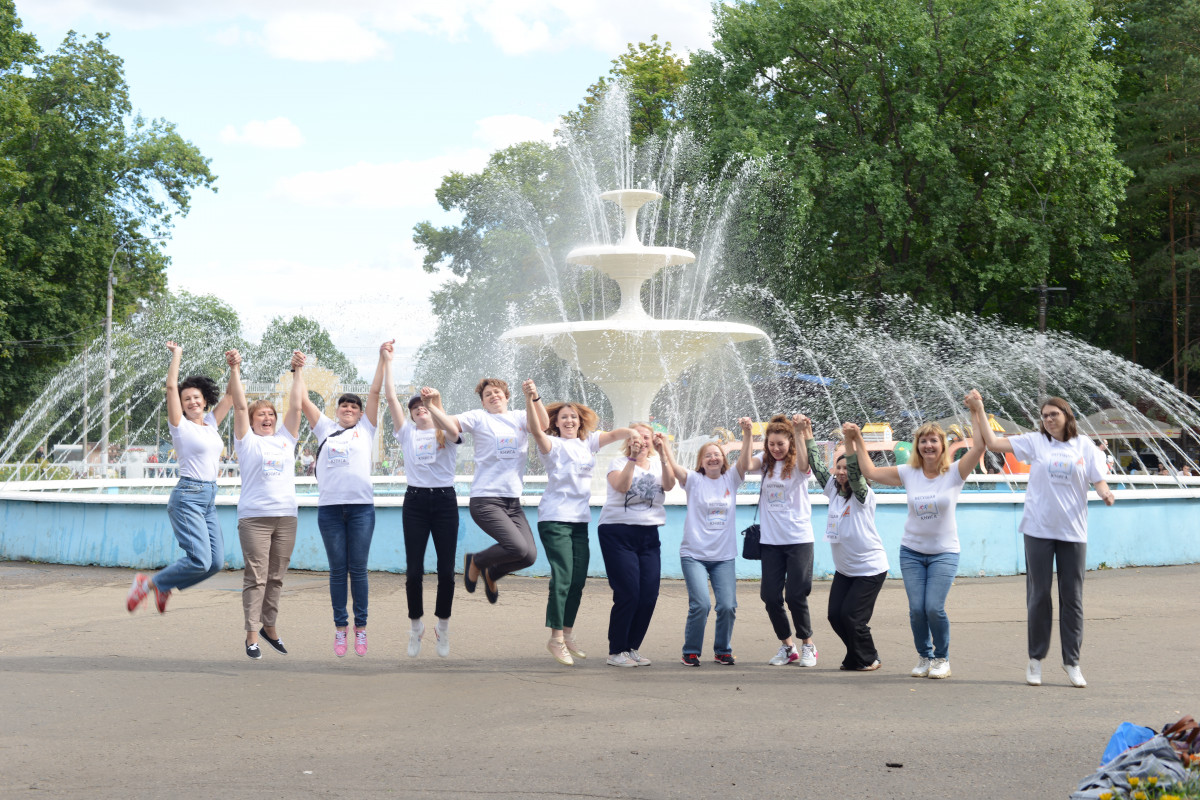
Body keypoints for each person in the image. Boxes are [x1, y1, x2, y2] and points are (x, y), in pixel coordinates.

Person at [967, 390, 1115, 688]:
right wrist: (979, 409)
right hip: (1038, 529)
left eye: (1054, 415)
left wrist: (1104, 492)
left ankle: (1072, 662)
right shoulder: (1035, 442)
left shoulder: (1083, 445)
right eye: (1045, 416)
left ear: (1066, 416)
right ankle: (1035, 660)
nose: (1048, 420)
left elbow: (1098, 478)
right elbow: (994, 443)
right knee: (1038, 596)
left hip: (1072, 531)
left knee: (1072, 598)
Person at [853, 415, 984, 680]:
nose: (928, 445)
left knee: (933, 607)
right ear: (917, 447)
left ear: (942, 445)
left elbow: (980, 447)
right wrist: (856, 439)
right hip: (912, 552)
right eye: (923, 441)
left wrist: (976, 411)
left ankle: (942, 658)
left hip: (944, 553)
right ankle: (925, 656)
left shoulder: (955, 472)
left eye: (933, 440)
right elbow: (871, 473)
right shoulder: (908, 473)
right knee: (916, 609)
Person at [525, 382, 635, 666]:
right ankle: (555, 638)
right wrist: (533, 398)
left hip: (579, 521)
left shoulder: (588, 442)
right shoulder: (553, 445)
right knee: (562, 578)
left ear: (580, 420)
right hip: (554, 519)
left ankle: (568, 633)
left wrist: (633, 433)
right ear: (556, 423)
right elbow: (537, 429)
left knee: (577, 581)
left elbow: (614, 434)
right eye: (563, 417)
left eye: (573, 416)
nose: (569, 420)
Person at [126, 341, 233, 614]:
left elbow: (232, 397)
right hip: (188, 497)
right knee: (199, 560)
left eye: (196, 397)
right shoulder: (180, 427)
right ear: (182, 406)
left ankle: (164, 587)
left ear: (205, 400)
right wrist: (178, 355)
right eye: (187, 399)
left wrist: (235, 367)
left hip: (208, 499)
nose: (192, 402)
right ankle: (148, 584)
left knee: (216, 563)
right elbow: (171, 387)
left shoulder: (210, 424)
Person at [427, 377, 549, 605]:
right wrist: (432, 406)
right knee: (517, 547)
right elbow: (449, 425)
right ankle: (476, 561)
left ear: (506, 396)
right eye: (488, 394)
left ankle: (492, 573)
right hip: (486, 500)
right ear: (483, 402)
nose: (493, 396)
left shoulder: (520, 416)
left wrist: (533, 397)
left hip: (512, 502)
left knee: (529, 556)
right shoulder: (478, 417)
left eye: (497, 392)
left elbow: (542, 426)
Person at [301, 342, 387, 657]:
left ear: (362, 414)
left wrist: (381, 359)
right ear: (336, 411)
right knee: (338, 569)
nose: (348, 410)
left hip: (362, 509)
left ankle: (360, 629)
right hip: (330, 511)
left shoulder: (366, 429)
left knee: (359, 569)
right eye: (343, 407)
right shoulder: (325, 428)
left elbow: (375, 393)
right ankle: (340, 628)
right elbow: (302, 399)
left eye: (354, 407)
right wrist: (298, 369)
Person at [383, 344, 462, 659]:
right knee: (414, 570)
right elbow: (390, 398)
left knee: (445, 570)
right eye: (415, 408)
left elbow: (454, 429)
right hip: (415, 503)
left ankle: (442, 628)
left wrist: (436, 402)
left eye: (424, 407)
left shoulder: (448, 433)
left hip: (444, 502)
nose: (419, 411)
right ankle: (415, 626)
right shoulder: (407, 434)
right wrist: (387, 361)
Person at [228, 348, 307, 659]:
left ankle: (269, 627)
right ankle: (251, 634)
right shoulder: (247, 441)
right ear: (251, 420)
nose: (267, 417)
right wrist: (235, 368)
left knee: (276, 577)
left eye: (271, 414)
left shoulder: (286, 439)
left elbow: (298, 407)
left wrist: (297, 371)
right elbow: (238, 405)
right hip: (255, 518)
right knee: (257, 576)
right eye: (261, 414)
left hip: (286, 516)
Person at [735, 414, 820, 668]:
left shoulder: (796, 465)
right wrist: (748, 434)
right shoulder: (765, 463)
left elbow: (807, 464)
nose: (776, 448)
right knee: (770, 596)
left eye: (780, 444)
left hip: (798, 540)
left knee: (795, 595)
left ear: (789, 443)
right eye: (771, 444)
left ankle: (808, 645)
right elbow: (745, 464)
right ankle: (788, 646)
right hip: (771, 542)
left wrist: (798, 433)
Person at [597, 424, 676, 668]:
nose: (642, 441)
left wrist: (664, 455)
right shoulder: (618, 463)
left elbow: (670, 484)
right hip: (617, 531)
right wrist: (632, 457)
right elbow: (621, 486)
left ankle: (632, 647)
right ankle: (616, 650)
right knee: (628, 592)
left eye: (646, 437)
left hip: (649, 534)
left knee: (649, 594)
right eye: (636, 437)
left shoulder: (656, 464)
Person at [661, 436, 744, 666]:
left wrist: (746, 434)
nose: (713, 457)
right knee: (701, 604)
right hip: (694, 554)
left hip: (724, 556)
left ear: (723, 459)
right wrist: (664, 446)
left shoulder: (731, 479)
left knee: (727, 605)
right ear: (701, 461)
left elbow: (745, 461)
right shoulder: (694, 480)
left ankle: (722, 650)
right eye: (707, 455)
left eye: (717, 454)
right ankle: (691, 650)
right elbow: (675, 468)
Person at [816, 423, 890, 671]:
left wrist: (850, 442)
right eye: (838, 467)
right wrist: (803, 433)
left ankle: (869, 657)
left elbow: (857, 476)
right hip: (845, 570)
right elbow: (817, 468)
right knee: (835, 616)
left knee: (853, 617)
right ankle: (856, 655)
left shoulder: (863, 494)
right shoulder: (834, 492)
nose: (842, 472)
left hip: (869, 568)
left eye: (847, 467)